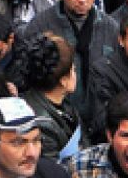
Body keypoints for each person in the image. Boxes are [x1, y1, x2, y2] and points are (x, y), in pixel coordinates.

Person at [16, 31, 82, 159]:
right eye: (73, 70)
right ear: (63, 80)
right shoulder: (40, 124)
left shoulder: (64, 104)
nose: (75, 74)